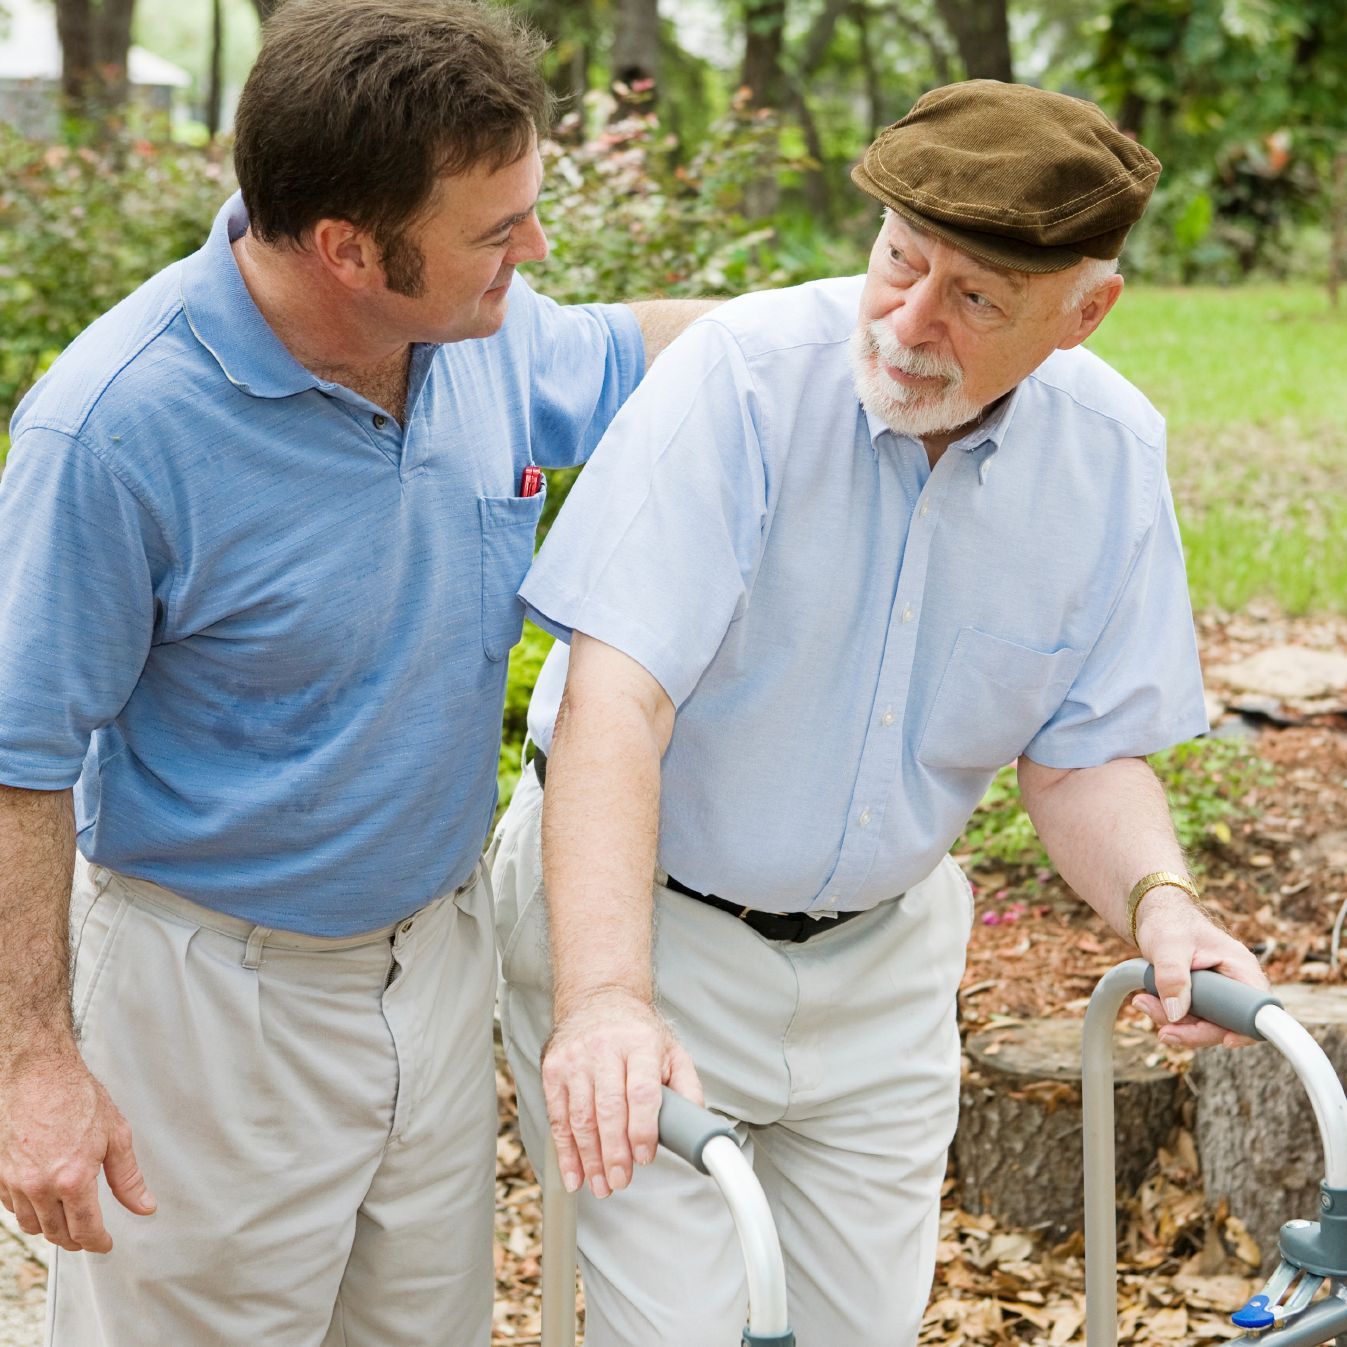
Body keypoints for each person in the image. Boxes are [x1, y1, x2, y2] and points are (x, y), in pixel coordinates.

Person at [490, 79, 1269, 1346]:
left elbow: (1082, 757)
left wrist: (1163, 904)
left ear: (1085, 312)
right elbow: (614, 706)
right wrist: (608, 1001)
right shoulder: (742, 382)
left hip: (885, 959)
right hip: (654, 931)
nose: (908, 322)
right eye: (901, 261)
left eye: (975, 300)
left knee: (861, 1328)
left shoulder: (1110, 454)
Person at [0, 2, 713, 1343]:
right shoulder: (111, 432)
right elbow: (14, 760)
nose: (533, 253)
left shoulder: (483, 334)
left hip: (431, 965)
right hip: (213, 1004)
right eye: (497, 233)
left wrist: (891, 318)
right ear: (347, 249)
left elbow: (660, 351)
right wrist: (30, 1061)